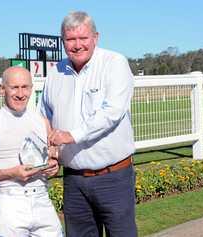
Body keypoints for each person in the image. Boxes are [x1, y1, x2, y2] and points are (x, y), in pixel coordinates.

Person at [39, 11, 137, 237]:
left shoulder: (114, 63)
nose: (77, 45)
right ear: (63, 41)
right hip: (74, 180)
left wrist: (71, 135)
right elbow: (43, 116)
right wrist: (52, 154)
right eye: (70, 39)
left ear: (96, 37)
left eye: (83, 38)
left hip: (113, 177)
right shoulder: (55, 73)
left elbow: (111, 114)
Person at [0, 66, 63, 237]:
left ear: (31, 88)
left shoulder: (42, 122)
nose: (20, 93)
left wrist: (53, 167)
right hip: (11, 204)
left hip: (42, 201)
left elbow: (53, 163)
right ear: (2, 89)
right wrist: (10, 173)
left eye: (25, 87)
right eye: (14, 87)